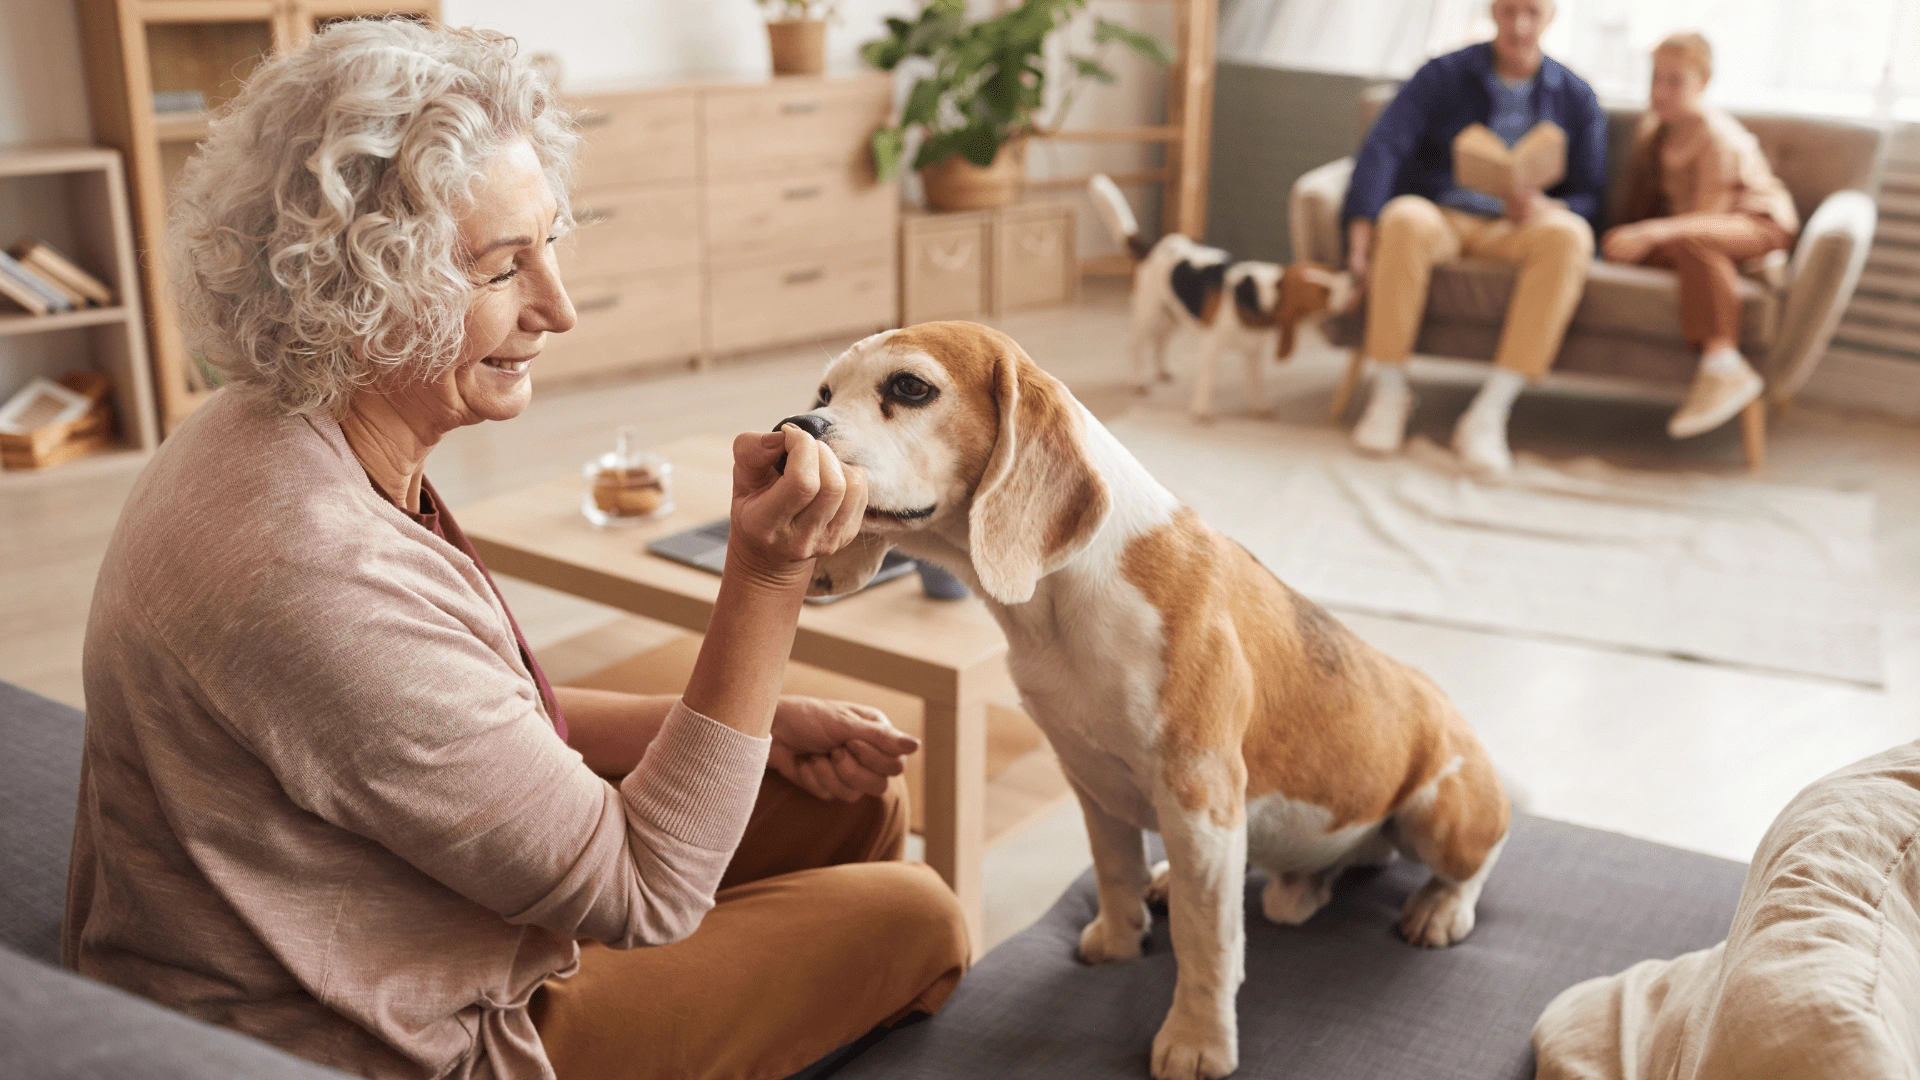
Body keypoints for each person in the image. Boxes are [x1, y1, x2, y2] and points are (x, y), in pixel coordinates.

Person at [64, 20, 968, 1080]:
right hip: (376, 1031)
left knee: (849, 799)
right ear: (363, 292)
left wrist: (745, 731)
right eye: (504, 269)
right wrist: (767, 578)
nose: (560, 307)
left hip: (388, 920)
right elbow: (645, 890)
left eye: (553, 242)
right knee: (920, 912)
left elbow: (448, 726)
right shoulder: (313, 571)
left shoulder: (274, 424)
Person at [1342, 0, 1606, 474]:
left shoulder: (1577, 95)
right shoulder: (1442, 74)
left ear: (1551, 17)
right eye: (1508, 11)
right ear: (1492, 12)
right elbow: (1384, 147)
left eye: (1532, 12)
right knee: (1402, 217)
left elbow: (1592, 195)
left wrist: (1551, 206)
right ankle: (1389, 391)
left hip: (1520, 226)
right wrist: (1360, 237)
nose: (1519, 25)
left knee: (1570, 236)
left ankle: (1490, 412)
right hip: (1444, 214)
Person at [1602, 32, 1799, 439]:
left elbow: (1707, 220)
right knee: (1668, 244)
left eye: (1674, 80)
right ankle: (1732, 277)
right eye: (1655, 78)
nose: (1660, 90)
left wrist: (1651, 231)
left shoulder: (1716, 136)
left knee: (1692, 242)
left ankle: (1723, 362)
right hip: (1693, 231)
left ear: (1702, 82)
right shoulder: (1655, 134)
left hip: (1753, 220)